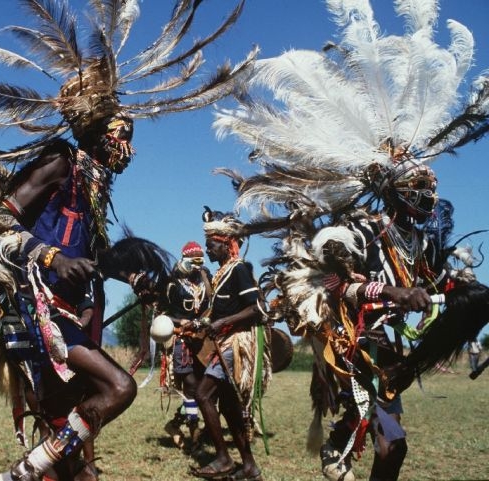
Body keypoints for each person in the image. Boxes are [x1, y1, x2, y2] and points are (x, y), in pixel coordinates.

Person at [0, 3, 254, 480]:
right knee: (120, 388)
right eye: (122, 135)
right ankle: (24, 472)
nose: (128, 148)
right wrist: (50, 257)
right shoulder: (59, 162)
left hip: (72, 309)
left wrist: (134, 278)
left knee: (69, 433)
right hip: (41, 308)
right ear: (97, 130)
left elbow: (90, 255)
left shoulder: (94, 183)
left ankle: (55, 469)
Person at [210, 2, 489, 480]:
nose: (427, 193)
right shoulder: (362, 230)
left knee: (391, 448)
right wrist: (392, 292)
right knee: (392, 442)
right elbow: (333, 283)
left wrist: (459, 292)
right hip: (350, 345)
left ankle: (340, 446)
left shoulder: (420, 242)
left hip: (391, 353)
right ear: (393, 190)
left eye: (429, 185)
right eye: (416, 186)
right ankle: (339, 447)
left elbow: (436, 282)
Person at [190, 209, 270, 481]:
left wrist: (222, 324)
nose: (206, 249)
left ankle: (224, 458)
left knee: (202, 395)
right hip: (225, 340)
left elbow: (257, 309)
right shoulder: (221, 273)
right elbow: (217, 312)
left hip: (236, 343)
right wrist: (199, 324)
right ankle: (249, 467)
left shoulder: (239, 269)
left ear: (225, 242)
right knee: (228, 407)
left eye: (210, 244)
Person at [160, 241, 212, 451]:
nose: (198, 266)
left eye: (201, 261)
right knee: (191, 386)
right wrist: (178, 322)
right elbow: (162, 312)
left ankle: (174, 425)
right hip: (181, 339)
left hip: (204, 341)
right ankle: (195, 433)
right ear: (184, 261)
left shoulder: (206, 281)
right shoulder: (172, 284)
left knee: (203, 389)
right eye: (194, 261)